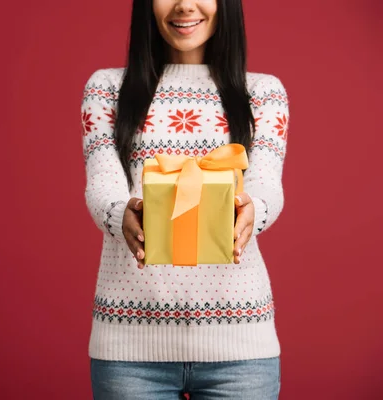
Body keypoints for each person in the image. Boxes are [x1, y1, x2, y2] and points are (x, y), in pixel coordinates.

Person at [80, 0, 289, 399]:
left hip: (240, 344)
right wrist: (119, 213)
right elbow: (102, 185)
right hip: (129, 346)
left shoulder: (262, 93)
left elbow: (267, 187)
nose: (184, 5)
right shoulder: (106, 88)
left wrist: (253, 212)